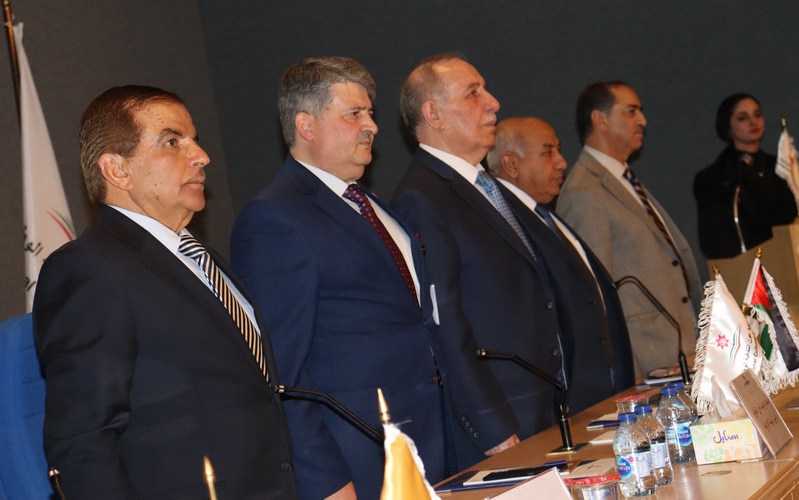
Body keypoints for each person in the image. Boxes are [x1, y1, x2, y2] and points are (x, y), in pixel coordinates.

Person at [33, 86, 296, 498]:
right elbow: (83, 445)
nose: (202, 156)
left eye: (195, 140)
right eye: (173, 142)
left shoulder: (198, 255)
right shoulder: (88, 269)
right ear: (117, 171)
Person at [230, 57, 448, 500]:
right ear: (306, 125)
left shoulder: (368, 202)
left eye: (370, 113)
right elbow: (282, 373)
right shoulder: (274, 218)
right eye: (354, 114)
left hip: (429, 438)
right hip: (360, 459)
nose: (372, 126)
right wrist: (326, 481)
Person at [392, 53, 562, 471]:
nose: (493, 102)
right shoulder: (422, 197)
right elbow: (444, 324)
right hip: (505, 423)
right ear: (434, 114)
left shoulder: (484, 186)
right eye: (473, 93)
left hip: (543, 402)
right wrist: (491, 425)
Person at [487, 117, 634, 412]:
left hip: (603, 389)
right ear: (511, 164)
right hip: (570, 401)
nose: (562, 163)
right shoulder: (506, 224)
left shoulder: (544, 215)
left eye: (558, 150)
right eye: (548, 152)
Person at [557, 81, 703, 378]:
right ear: (600, 119)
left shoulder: (623, 180)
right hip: (648, 363)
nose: (642, 121)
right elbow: (595, 298)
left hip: (680, 353)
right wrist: (628, 375)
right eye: (631, 111)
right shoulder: (583, 192)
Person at [693, 93, 797, 259]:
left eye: (757, 115)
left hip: (789, 257)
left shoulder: (785, 168)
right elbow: (715, 239)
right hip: (749, 264)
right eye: (743, 118)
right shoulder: (713, 178)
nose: (753, 122)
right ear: (728, 127)